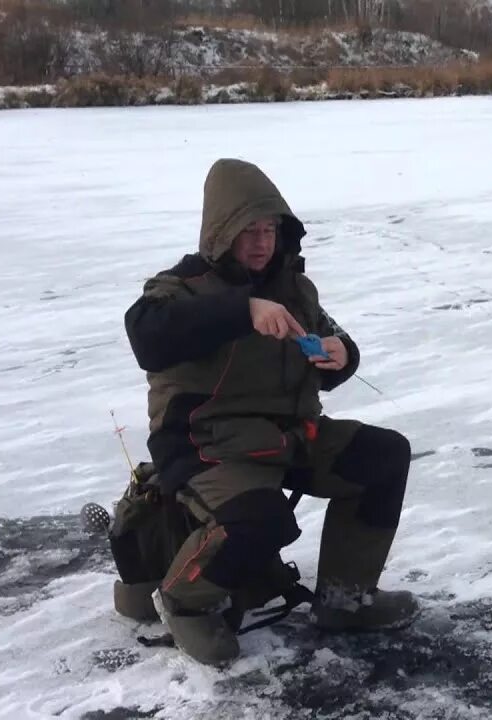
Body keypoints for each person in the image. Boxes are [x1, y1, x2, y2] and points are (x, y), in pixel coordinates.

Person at [123, 157, 419, 665]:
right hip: (205, 444)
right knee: (259, 520)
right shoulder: (179, 289)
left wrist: (342, 354)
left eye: (269, 230)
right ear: (220, 233)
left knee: (382, 456)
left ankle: (346, 599)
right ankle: (183, 602)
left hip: (286, 435)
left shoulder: (294, 289)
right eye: (247, 231)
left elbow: (327, 341)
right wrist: (243, 310)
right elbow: (147, 335)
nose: (261, 242)